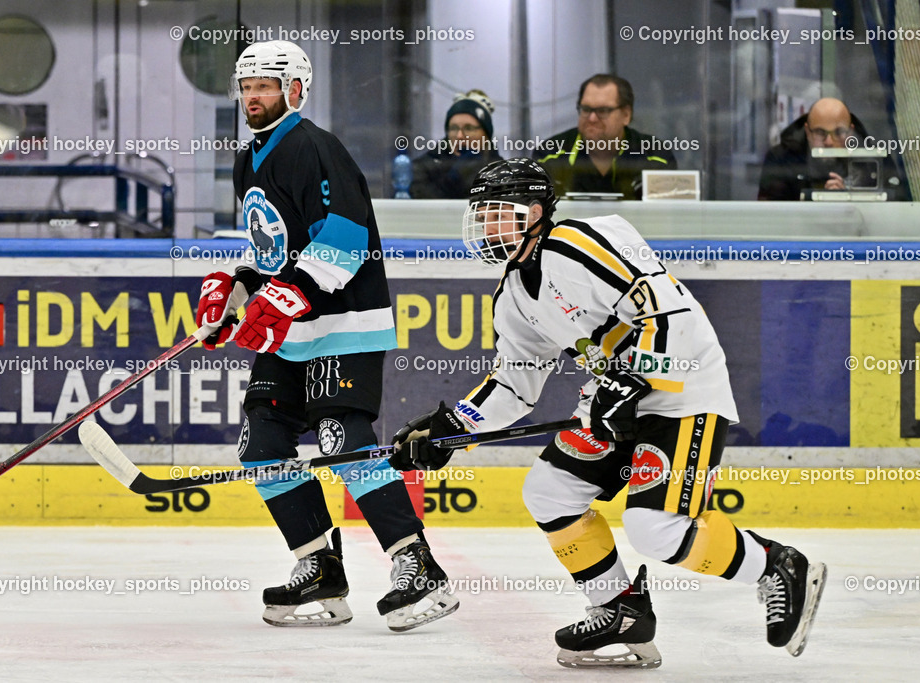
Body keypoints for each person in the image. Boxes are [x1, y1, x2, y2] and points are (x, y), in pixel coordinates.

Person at [389, 158, 827, 668]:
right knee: (550, 490)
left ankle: (777, 567)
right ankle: (620, 609)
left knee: (655, 530)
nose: (485, 226)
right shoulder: (512, 297)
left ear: (533, 212)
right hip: (614, 403)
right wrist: (450, 429)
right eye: (481, 214)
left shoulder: (580, 243)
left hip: (681, 390)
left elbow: (666, 309)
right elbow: (514, 384)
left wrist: (631, 378)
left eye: (496, 213)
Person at [195, 40, 458, 632]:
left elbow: (344, 236)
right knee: (262, 445)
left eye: (264, 85)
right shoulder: (249, 157)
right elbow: (272, 248)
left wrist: (285, 296)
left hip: (344, 323)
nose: (252, 97)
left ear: (294, 89)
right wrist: (237, 290)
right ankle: (319, 569)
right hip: (290, 330)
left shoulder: (315, 147)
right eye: (246, 87)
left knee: (342, 438)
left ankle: (417, 568)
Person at [535, 74, 676, 198]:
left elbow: (669, 218)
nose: (592, 118)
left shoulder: (656, 155)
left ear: (626, 115)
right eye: (586, 109)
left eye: (603, 110)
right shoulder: (550, 154)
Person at [758, 97, 906, 200]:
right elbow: (772, 216)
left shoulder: (872, 159)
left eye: (839, 132)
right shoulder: (782, 159)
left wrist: (851, 199)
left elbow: (898, 207)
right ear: (808, 132)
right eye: (820, 132)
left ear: (850, 132)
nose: (829, 142)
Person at [409, 89, 502, 198]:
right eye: (453, 128)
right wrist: (454, 178)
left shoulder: (501, 172)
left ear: (485, 135)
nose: (459, 136)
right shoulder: (422, 168)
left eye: (469, 128)